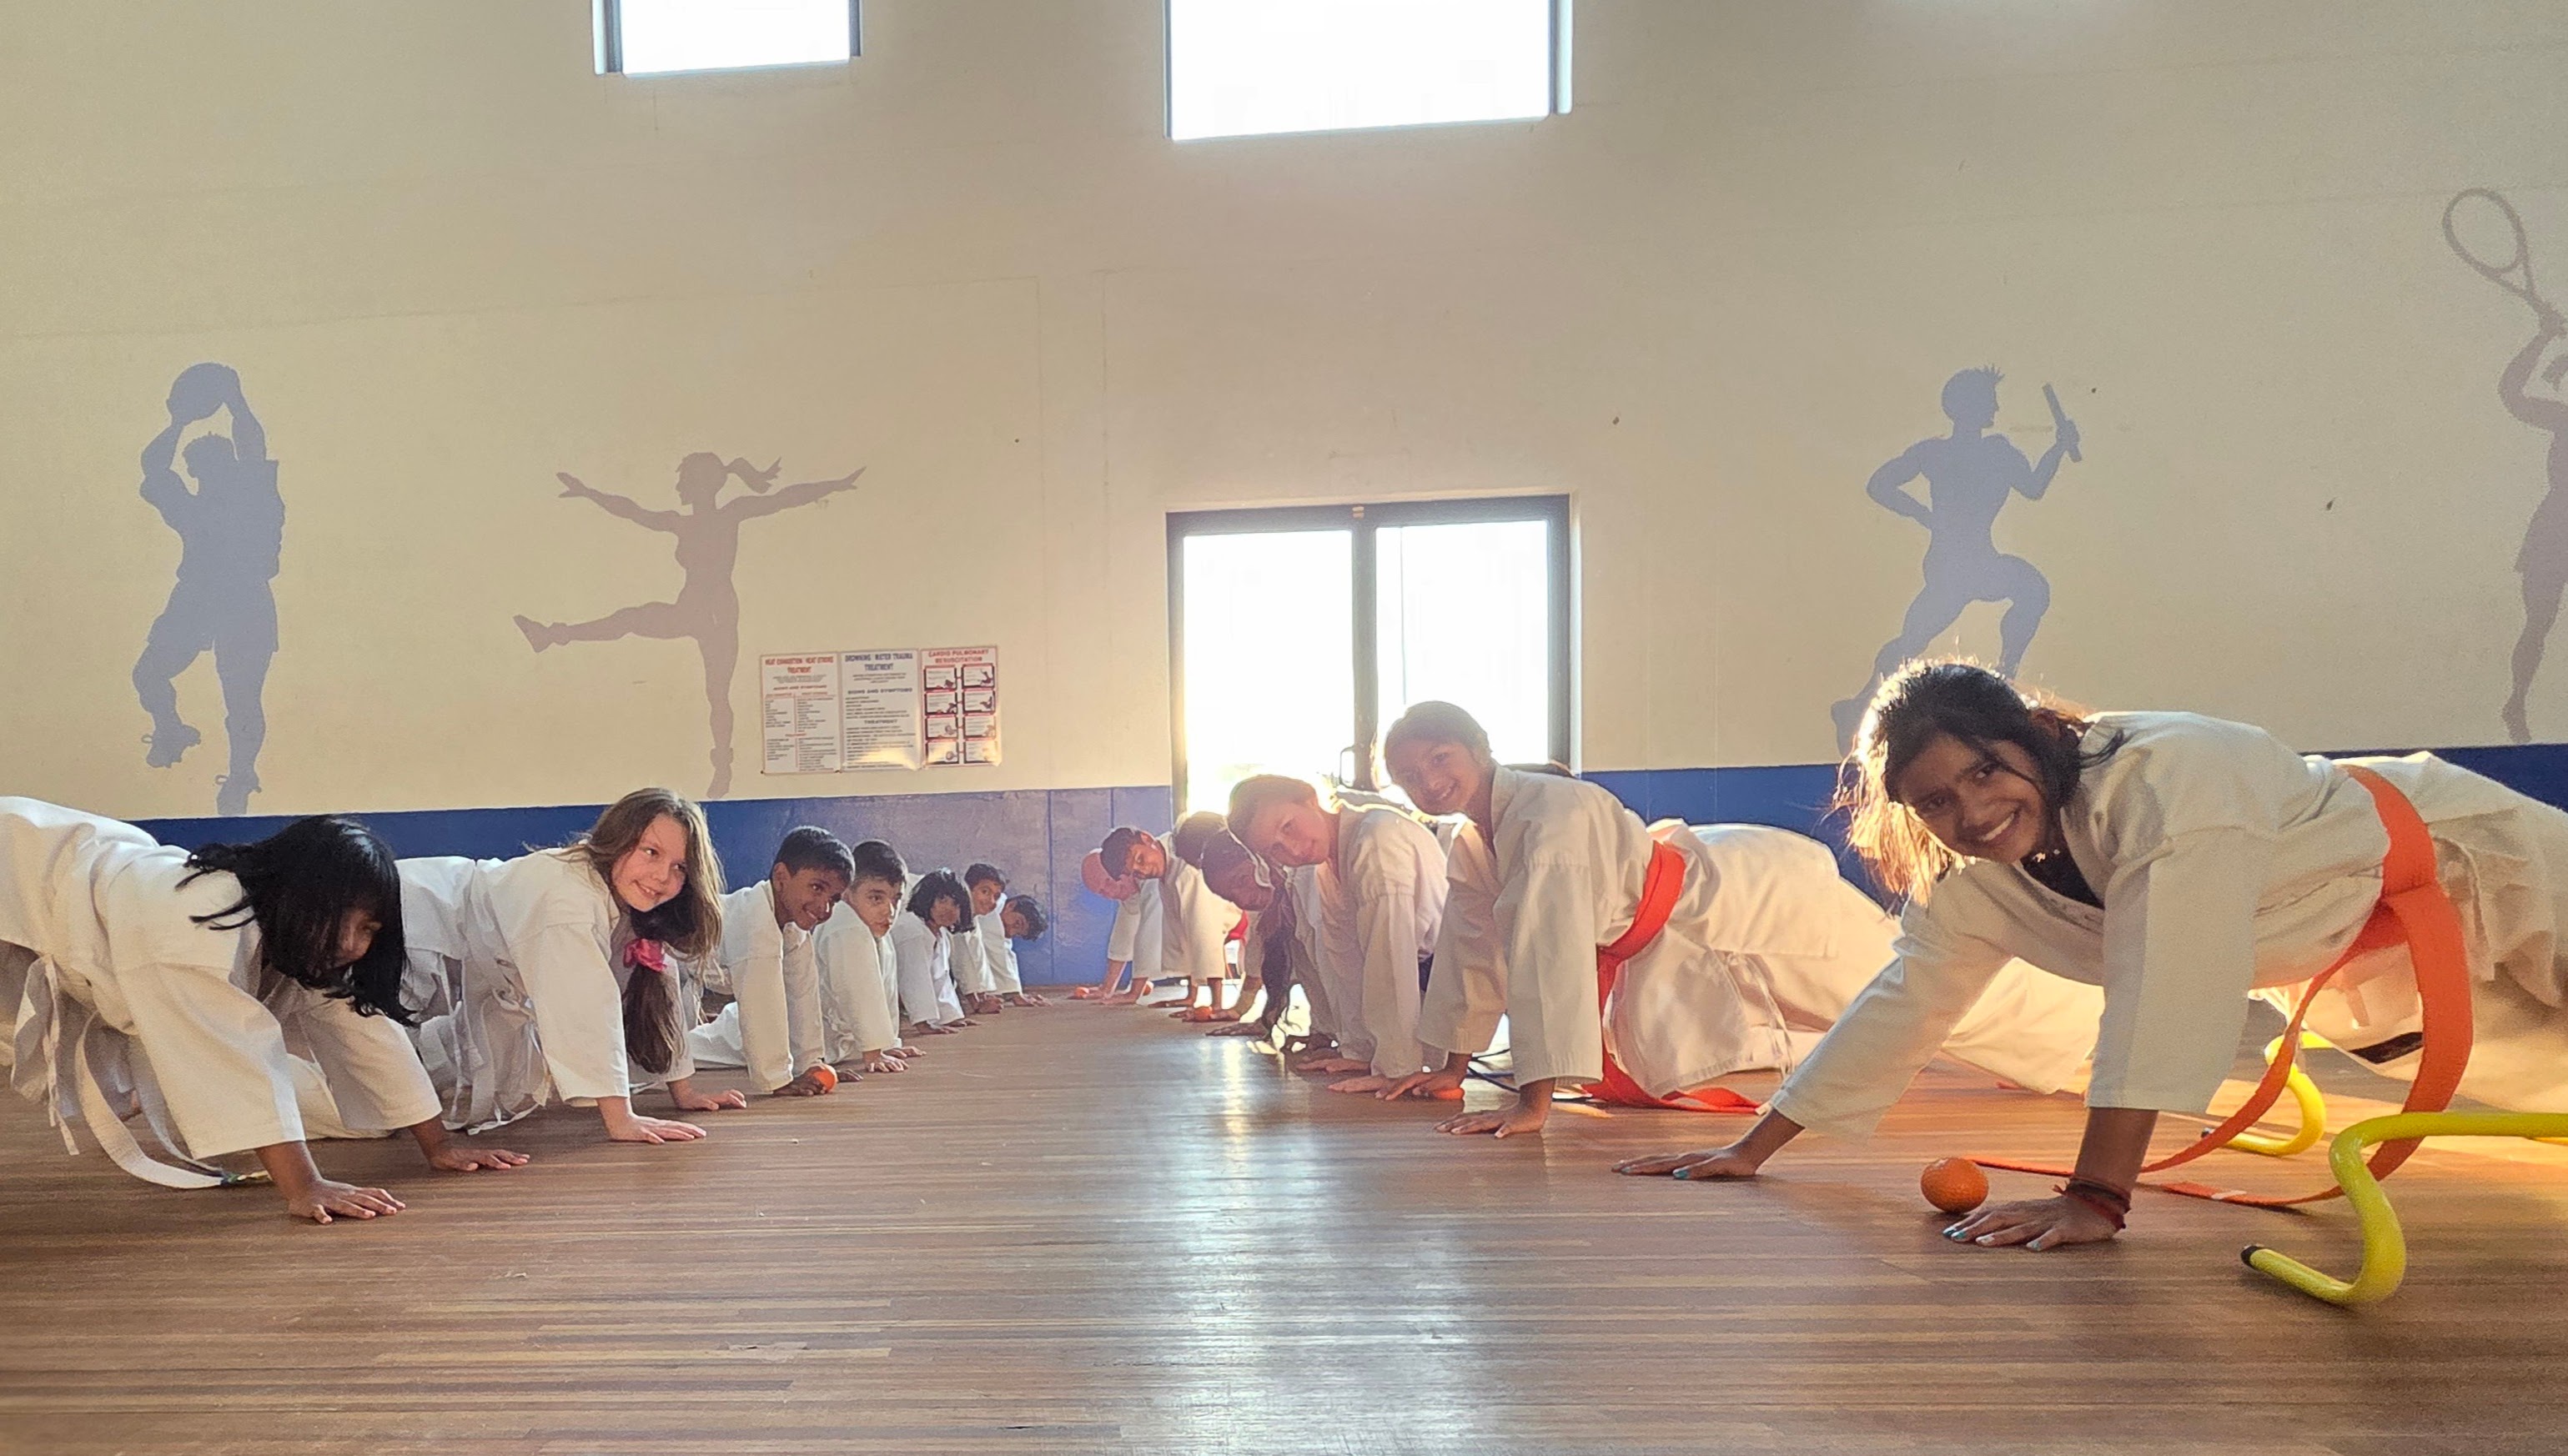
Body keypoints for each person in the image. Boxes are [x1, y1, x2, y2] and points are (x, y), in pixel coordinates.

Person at [1619, 660, 2568, 1251]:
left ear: (2035, 736)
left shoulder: (2164, 775)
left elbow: (2165, 984)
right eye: (1934, 802)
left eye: (1983, 771)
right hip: (2363, 960)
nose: (1970, 813)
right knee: (2547, 1082)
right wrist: (1753, 1147)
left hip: (2482, 863)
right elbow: (1902, 1002)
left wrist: (2096, 1198)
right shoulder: (1973, 877)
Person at [1376, 700, 2101, 1140]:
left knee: (1924, 1000)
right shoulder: (1470, 839)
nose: (1429, 782)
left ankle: (2096, 1034)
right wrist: (1451, 1070)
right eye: (1409, 776)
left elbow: (1547, 950)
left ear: (1480, 750)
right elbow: (1472, 950)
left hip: (1754, 909)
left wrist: (1532, 1105)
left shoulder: (1549, 812)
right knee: (1882, 1015)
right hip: (1685, 924)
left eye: (1440, 759)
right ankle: (2086, 1042)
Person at [1, 801, 526, 1223]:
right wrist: (304, 1186)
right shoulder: (194, 923)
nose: (353, 945)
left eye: (369, 929)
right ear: (300, 895)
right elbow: (230, 1059)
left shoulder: (292, 930)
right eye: (345, 920)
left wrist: (439, 1145)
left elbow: (361, 1029)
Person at [513, 454, 862, 797]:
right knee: (632, 620)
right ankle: (551, 635)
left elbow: (785, 498)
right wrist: (589, 493)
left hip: (716, 613)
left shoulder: (729, 514)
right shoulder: (682, 522)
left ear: (699, 484)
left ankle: (722, 764)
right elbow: (632, 511)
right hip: (692, 608)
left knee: (716, 692)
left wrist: (836, 484)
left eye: (684, 481)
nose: (679, 487)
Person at [405, 787, 733, 1143]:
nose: (662, 876)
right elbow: (586, 1006)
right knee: (368, 1097)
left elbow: (658, 986)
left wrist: (684, 1092)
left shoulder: (625, 899)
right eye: (650, 852)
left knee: (427, 1078)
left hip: (466, 954)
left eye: (680, 867)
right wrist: (621, 1120)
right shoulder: (569, 897)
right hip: (413, 917)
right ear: (617, 839)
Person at [1227, 776, 1447, 1090]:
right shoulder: (1324, 867)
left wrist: (1395, 1068)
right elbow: (1347, 966)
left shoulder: (1377, 837)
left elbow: (1390, 958)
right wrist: (1361, 1051)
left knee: (1384, 958)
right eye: (1274, 849)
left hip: (1445, 979)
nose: (1292, 849)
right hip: (1419, 987)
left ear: (1310, 799)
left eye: (1288, 826)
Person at [131, 363, 283, 816]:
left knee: (242, 699)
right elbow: (154, 468)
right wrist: (178, 421)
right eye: (201, 467)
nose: (208, 472)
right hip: (198, 598)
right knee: (148, 674)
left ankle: (241, 775)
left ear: (227, 466)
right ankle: (171, 729)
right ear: (197, 473)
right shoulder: (192, 508)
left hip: (245, 600)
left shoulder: (255, 495)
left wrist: (235, 400)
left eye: (214, 464)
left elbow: (252, 443)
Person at [682, 827, 854, 1097]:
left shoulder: (795, 929)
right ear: (781, 877)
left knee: (676, 1056)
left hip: (692, 976)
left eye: (834, 899)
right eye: (817, 888)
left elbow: (802, 997)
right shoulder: (754, 920)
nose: (824, 907)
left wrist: (811, 1064)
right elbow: (761, 1005)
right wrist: (777, 1079)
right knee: (653, 1060)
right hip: (666, 962)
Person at [812, 840, 920, 1075]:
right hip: (772, 1032)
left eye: (896, 899)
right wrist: (874, 1052)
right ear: (847, 892)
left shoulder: (874, 929)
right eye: (876, 898)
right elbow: (857, 990)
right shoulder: (845, 925)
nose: (889, 910)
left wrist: (889, 1043)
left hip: (830, 1041)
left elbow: (884, 991)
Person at [891, 869, 975, 1037]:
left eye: (956, 904)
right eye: (942, 900)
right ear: (927, 899)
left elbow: (940, 979)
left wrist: (950, 1017)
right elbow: (913, 980)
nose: (949, 909)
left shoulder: (939, 933)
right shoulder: (912, 929)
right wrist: (923, 1024)